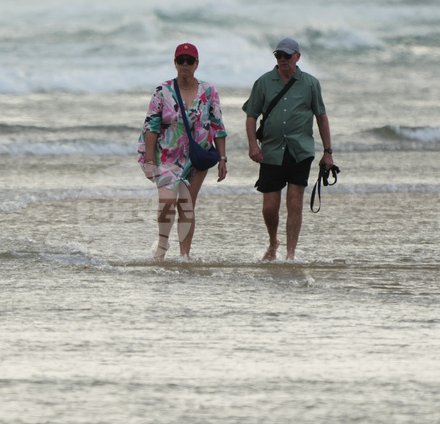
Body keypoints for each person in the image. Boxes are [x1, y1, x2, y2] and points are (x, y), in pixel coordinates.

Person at [242, 38, 334, 261]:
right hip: (271, 151)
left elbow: (321, 117)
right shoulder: (263, 82)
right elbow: (251, 116)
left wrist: (328, 151)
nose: (282, 60)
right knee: (269, 208)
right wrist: (253, 145)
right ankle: (274, 242)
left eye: (287, 56)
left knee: (294, 202)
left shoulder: (311, 83)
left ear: (297, 57)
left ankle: (290, 255)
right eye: (278, 56)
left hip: (300, 150)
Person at [138, 43, 228, 260]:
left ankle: (184, 255)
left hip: (197, 157)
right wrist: (150, 161)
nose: (185, 64)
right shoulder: (163, 91)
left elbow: (217, 125)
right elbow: (151, 126)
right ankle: (162, 243)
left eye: (190, 60)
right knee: (167, 202)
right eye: (181, 60)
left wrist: (223, 158)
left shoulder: (209, 91)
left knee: (186, 205)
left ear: (197, 64)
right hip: (166, 155)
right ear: (175, 63)